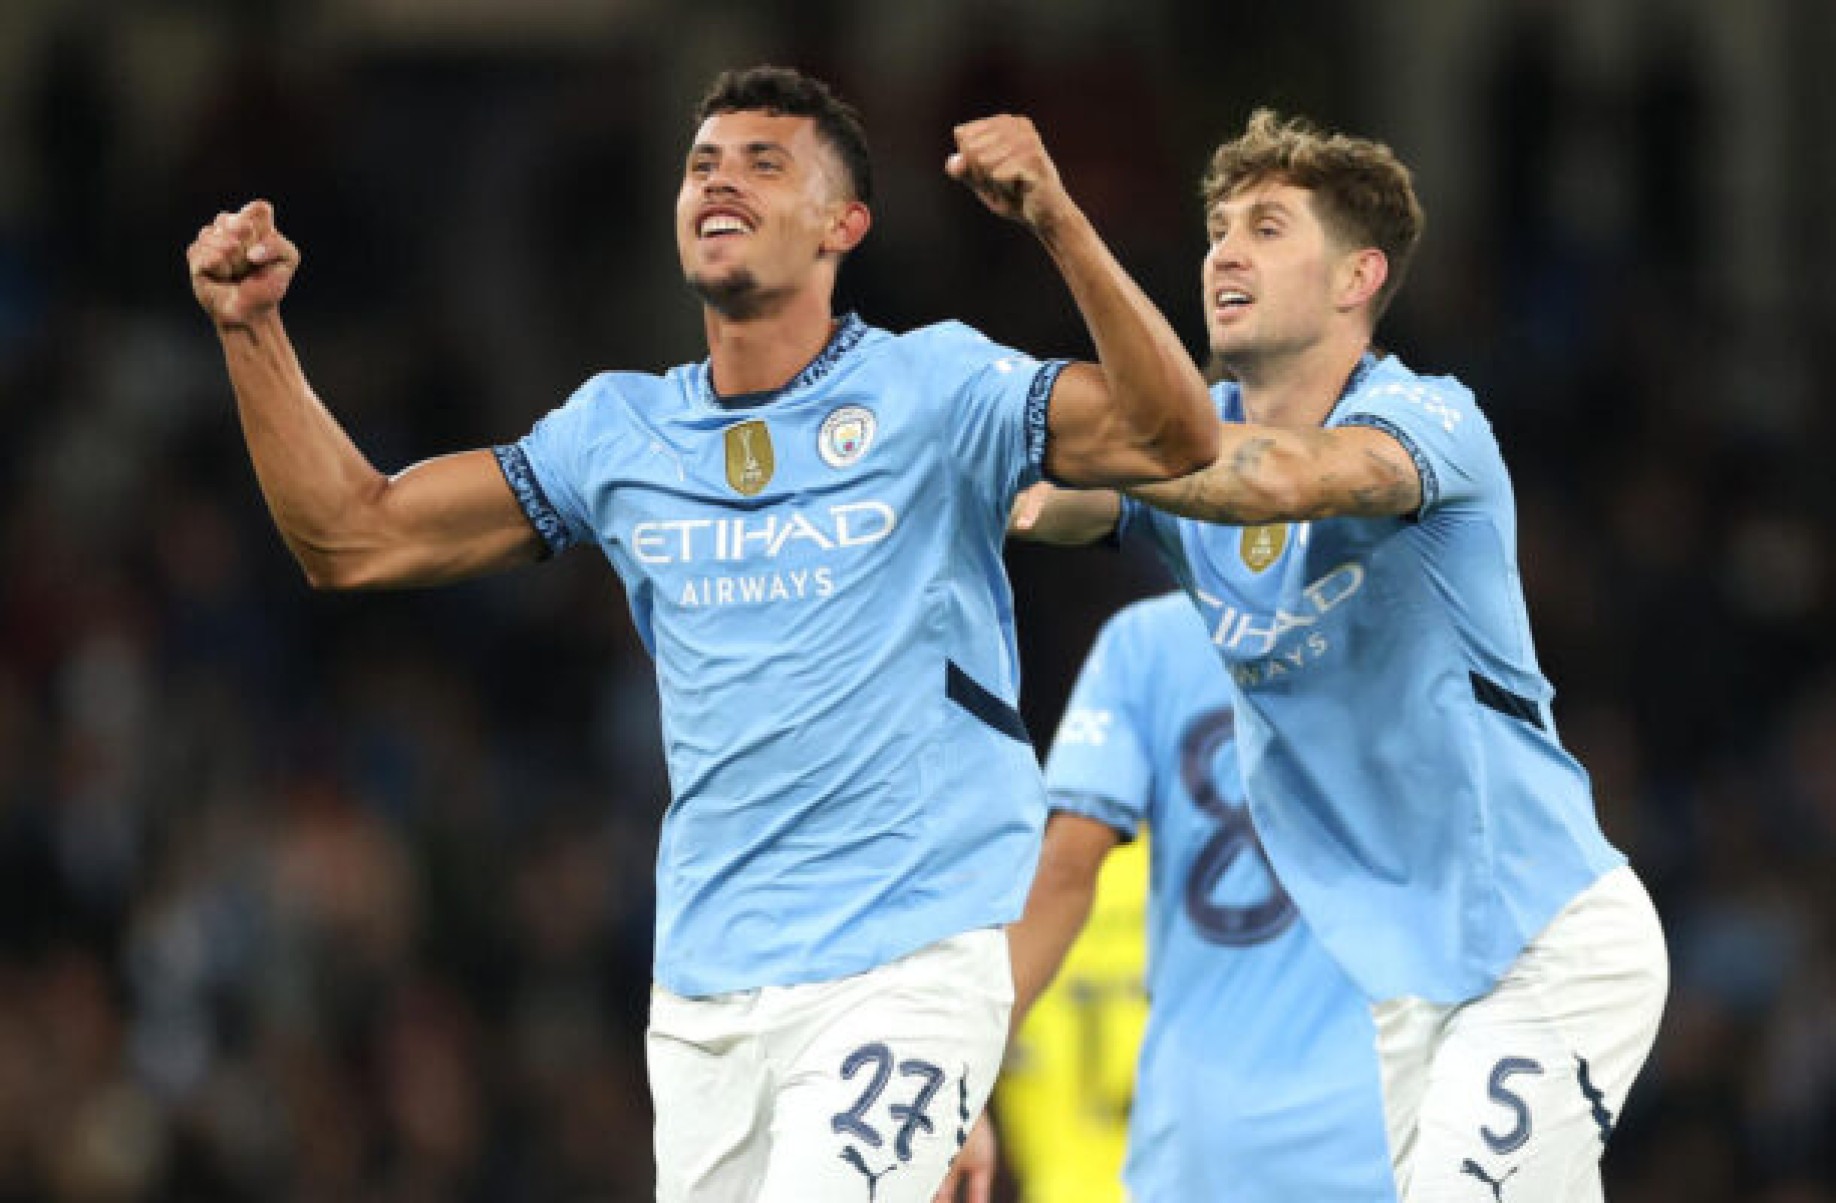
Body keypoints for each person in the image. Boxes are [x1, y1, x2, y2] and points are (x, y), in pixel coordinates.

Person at [184, 66, 1219, 1203]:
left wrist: (1056, 221)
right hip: (706, 997)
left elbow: (1175, 436)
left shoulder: (938, 386)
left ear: (844, 225)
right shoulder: (618, 433)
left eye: (764, 163)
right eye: (703, 165)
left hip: (909, 965)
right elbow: (352, 536)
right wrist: (251, 330)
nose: (720, 180)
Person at [998, 110, 1669, 1201]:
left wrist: (1064, 229)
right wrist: (985, 474)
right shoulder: (1192, 447)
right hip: (1406, 998)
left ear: (1360, 276)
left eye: (1267, 227)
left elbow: (1267, 480)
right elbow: (1049, 502)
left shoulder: (1428, 421)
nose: (1225, 250)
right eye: (1217, 228)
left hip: (1541, 952)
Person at [949, 594, 1396, 1203]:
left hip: (1200, 1144)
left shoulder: (1150, 640)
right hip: (1381, 1129)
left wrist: (955, 1085)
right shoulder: (1409, 617)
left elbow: (1067, 867)